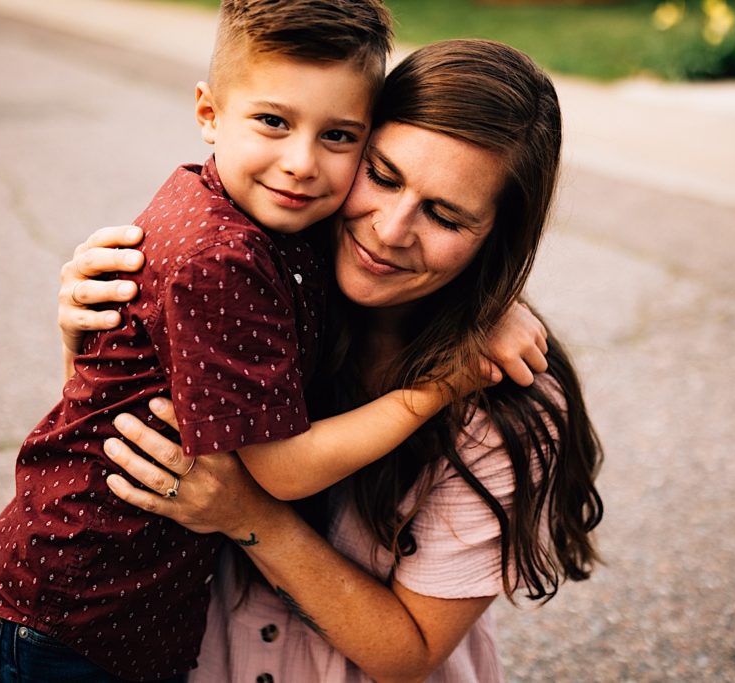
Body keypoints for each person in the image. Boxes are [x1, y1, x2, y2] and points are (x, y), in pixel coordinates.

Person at [60, 39, 603, 682]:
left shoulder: (506, 401)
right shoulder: (252, 289)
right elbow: (117, 449)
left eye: (445, 216)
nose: (391, 229)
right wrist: (89, 334)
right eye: (383, 175)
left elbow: (409, 653)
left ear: (497, 243)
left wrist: (248, 515)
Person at [0, 2, 468, 681]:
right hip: (77, 608)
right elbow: (278, 470)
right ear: (208, 112)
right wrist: (438, 386)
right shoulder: (218, 259)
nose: (301, 164)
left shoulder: (276, 221)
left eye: (339, 136)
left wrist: (496, 307)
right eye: (273, 121)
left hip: (129, 602)